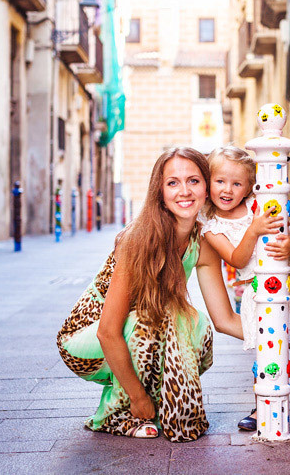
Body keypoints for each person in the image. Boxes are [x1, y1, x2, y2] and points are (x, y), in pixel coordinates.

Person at [56, 147, 242, 442]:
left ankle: (155, 403)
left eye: (194, 181)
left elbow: (224, 319)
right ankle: (121, 411)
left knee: (197, 326)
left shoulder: (203, 243)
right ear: (160, 191)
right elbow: (107, 332)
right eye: (173, 183)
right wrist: (139, 397)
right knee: (154, 321)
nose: (184, 191)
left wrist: (285, 339)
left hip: (139, 329)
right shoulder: (138, 239)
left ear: (206, 187)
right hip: (86, 339)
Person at [201, 146, 290, 433]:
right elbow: (236, 259)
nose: (227, 189)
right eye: (220, 181)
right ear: (208, 181)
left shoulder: (259, 204)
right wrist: (253, 230)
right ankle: (262, 402)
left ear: (249, 186)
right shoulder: (211, 226)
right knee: (266, 350)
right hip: (260, 293)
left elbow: (289, 229)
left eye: (237, 183)